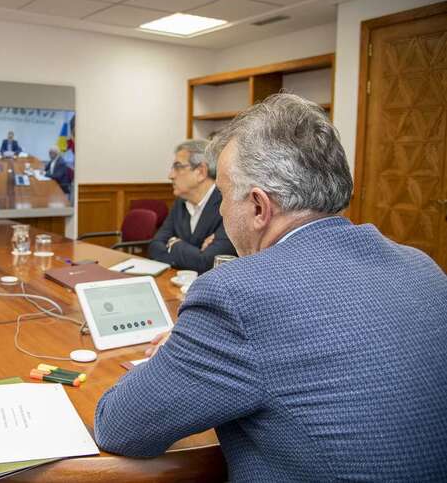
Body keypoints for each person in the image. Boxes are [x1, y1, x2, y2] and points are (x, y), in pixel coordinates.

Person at [94, 94, 447, 481]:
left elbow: (121, 427)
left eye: (225, 197)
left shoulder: (237, 296)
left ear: (259, 207)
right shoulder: (422, 265)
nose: (223, 211)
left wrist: (177, 356)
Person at [148, 140, 236, 273]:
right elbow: (154, 247)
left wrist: (174, 244)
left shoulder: (227, 204)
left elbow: (209, 262)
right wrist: (196, 254)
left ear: (201, 171)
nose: (170, 175)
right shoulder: (181, 202)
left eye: (178, 167)